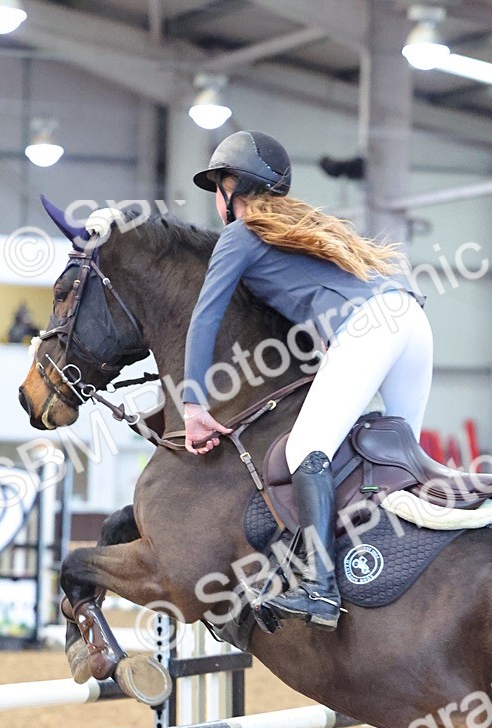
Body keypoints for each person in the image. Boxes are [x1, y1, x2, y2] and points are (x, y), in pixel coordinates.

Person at [182, 130, 433, 630]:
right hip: (411, 323)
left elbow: (205, 318)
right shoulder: (295, 228)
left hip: (370, 327)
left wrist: (193, 405)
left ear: (235, 190)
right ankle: (398, 575)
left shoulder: (240, 233)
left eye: (219, 185)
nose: (216, 198)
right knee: (397, 465)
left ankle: (319, 587)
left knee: (305, 452)